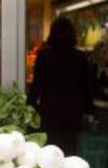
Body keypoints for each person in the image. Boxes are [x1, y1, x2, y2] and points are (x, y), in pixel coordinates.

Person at [30, 17, 94, 155]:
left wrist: (30, 106)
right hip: (73, 111)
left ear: (52, 34)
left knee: (50, 150)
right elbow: (87, 87)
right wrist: (90, 111)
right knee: (70, 149)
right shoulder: (80, 57)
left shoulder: (44, 56)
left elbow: (37, 85)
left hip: (50, 110)